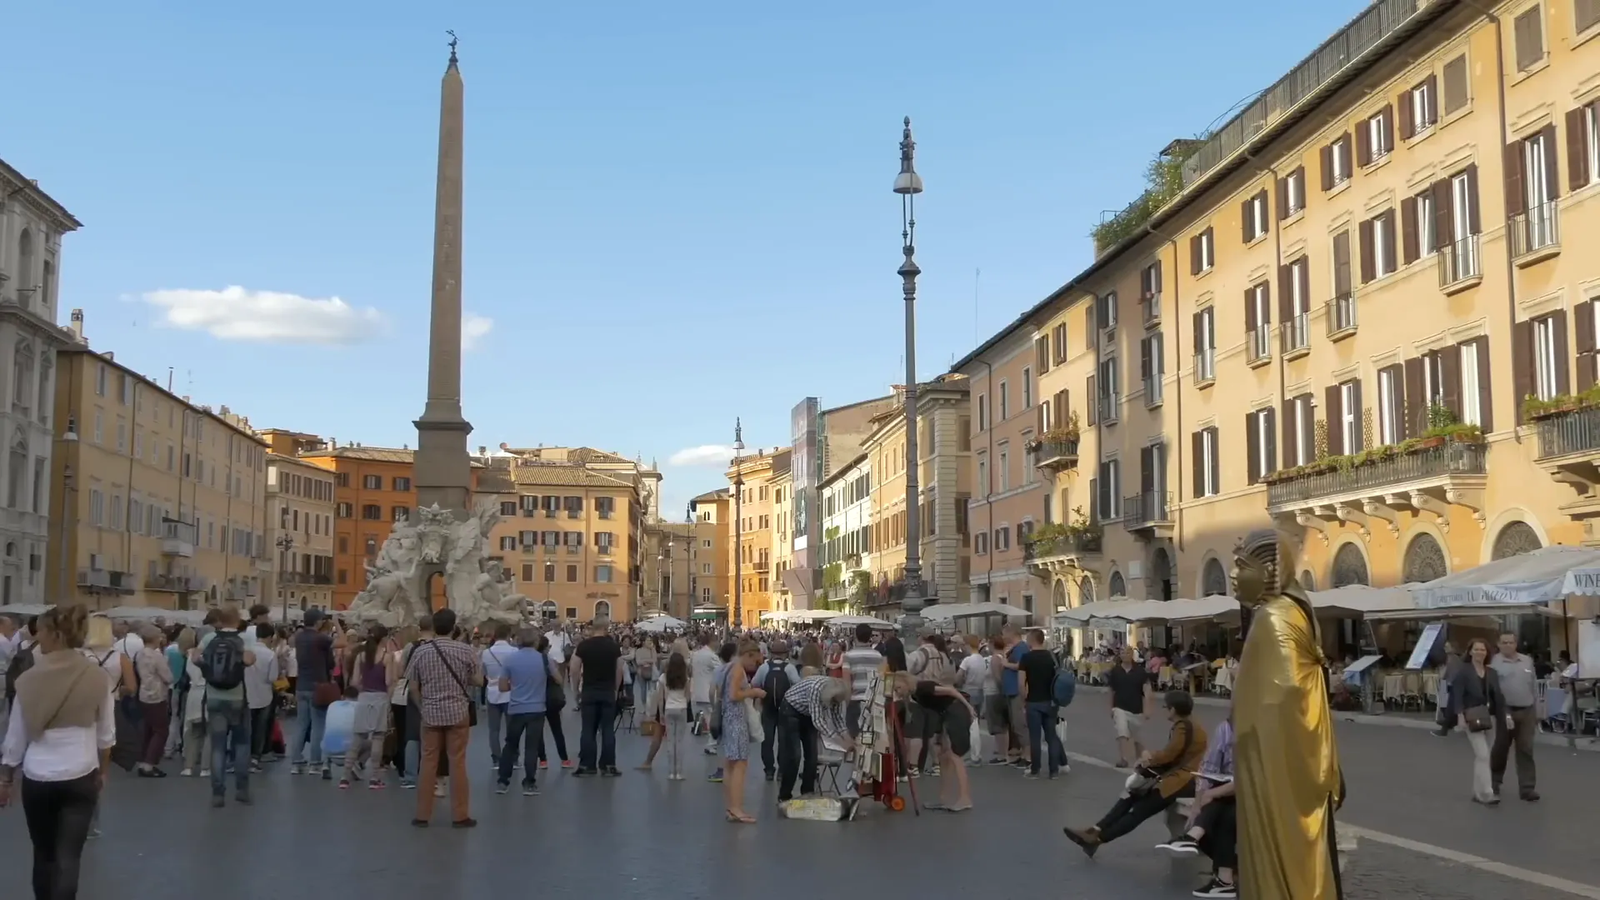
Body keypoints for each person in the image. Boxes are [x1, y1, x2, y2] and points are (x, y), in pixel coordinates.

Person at [1230, 528, 1345, 900]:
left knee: (1278, 838)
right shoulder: (1292, 609)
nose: (1233, 576)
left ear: (1267, 571)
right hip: (1294, 760)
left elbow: (1269, 707)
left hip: (1272, 768)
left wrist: (1243, 735)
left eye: (1240, 566)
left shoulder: (1274, 619)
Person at [0, 606, 114, 900]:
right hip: (81, 772)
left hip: (38, 775)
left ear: (55, 635)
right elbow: (106, 733)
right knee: (69, 857)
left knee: (43, 853)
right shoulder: (97, 677)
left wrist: (6, 778)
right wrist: (103, 770)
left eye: (42, 631)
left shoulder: (28, 680)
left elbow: (15, 738)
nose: (38, 636)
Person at [1064, 690, 1208, 856]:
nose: (1164, 710)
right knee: (1130, 795)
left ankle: (1098, 839)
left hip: (1181, 781)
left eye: (1165, 707)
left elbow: (1171, 754)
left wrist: (1149, 756)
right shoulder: (1192, 725)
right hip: (1179, 777)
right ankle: (1095, 829)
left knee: (1139, 810)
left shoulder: (1184, 727)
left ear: (1173, 709)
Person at [404, 608, 483, 827]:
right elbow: (479, 681)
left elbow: (412, 686)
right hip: (458, 712)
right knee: (457, 762)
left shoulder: (421, 651)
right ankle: (460, 815)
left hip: (430, 713)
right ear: (453, 627)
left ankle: (422, 814)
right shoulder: (465, 650)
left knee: (428, 762)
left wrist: (423, 706)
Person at [1157, 712, 1238, 898]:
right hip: (1228, 795)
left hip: (1258, 796)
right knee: (1225, 814)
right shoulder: (1225, 729)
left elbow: (1250, 778)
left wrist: (1209, 795)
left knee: (1222, 810)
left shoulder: (1266, 730)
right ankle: (1224, 880)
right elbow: (1208, 768)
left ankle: (1192, 837)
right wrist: (1197, 804)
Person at [198, 607, 257, 807]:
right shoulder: (245, 639)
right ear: (238, 620)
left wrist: (207, 668)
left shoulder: (209, 639)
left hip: (214, 697)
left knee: (218, 746)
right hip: (237, 698)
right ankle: (241, 790)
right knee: (241, 744)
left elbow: (195, 657)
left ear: (220, 621)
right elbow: (249, 660)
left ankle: (218, 793)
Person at [893, 671, 976, 811]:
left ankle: (965, 798)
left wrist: (969, 708)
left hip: (955, 712)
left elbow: (951, 690)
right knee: (944, 756)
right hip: (946, 714)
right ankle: (944, 798)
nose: (897, 692)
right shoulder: (914, 694)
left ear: (906, 683)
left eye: (898, 688)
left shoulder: (922, 687)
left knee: (955, 756)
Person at [776, 674, 853, 802]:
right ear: (830, 697)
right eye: (834, 702)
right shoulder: (816, 689)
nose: (835, 705)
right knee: (794, 756)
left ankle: (808, 792)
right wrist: (839, 741)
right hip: (790, 710)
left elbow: (838, 720)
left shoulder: (838, 694)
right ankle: (784, 795)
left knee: (812, 755)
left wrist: (849, 740)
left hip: (807, 713)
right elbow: (818, 721)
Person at [495, 627, 551, 796]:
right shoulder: (544, 659)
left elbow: (502, 686)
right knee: (531, 747)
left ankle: (503, 781)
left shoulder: (510, 660)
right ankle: (529, 783)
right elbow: (558, 678)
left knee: (510, 745)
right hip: (537, 708)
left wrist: (517, 685)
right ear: (536, 642)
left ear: (518, 640)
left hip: (516, 708)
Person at [342, 624, 395, 790]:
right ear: (384, 639)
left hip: (364, 697)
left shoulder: (361, 656)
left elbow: (355, 681)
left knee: (357, 737)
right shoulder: (388, 657)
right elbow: (389, 682)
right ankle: (374, 778)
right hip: (380, 698)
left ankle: (344, 776)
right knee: (378, 737)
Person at [719, 639, 767, 823]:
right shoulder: (738, 669)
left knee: (730, 765)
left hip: (728, 719)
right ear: (747, 655)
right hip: (737, 720)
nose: (754, 665)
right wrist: (753, 692)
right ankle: (737, 808)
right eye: (754, 661)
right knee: (740, 765)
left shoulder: (727, 668)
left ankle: (731, 807)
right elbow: (734, 695)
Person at [1454, 637, 1505, 806]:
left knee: (1483, 756)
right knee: (1482, 754)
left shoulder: (1492, 672)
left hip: (1490, 717)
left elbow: (1498, 697)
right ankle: (1487, 792)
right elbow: (1457, 695)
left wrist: (1506, 717)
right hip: (1472, 716)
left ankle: (1477, 792)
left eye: (1483, 650)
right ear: (1470, 652)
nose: (1479, 652)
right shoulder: (1463, 671)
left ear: (1487, 653)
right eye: (1476, 649)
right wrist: (1460, 716)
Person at [1488, 632, 1538, 802]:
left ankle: (1527, 788)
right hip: (1505, 711)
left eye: (1511, 642)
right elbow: (1491, 689)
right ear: (1499, 644)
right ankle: (1493, 784)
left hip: (1527, 710)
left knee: (1526, 750)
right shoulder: (1494, 662)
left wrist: (1538, 709)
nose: (1508, 645)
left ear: (1516, 644)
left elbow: (1534, 685)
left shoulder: (1527, 661)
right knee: (1500, 749)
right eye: (1504, 642)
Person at [571, 621, 623, 777]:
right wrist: (615, 688)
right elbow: (619, 669)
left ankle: (587, 765)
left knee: (588, 729)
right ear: (606, 629)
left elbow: (574, 668)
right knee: (608, 729)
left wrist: (575, 690)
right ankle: (608, 765)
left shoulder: (584, 646)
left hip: (589, 691)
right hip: (607, 691)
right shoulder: (614, 647)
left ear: (592, 629)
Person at [291, 610, 339, 776]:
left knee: (301, 725)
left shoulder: (299, 637)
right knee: (318, 726)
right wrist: (337, 624)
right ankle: (315, 763)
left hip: (301, 685)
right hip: (318, 686)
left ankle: (296, 762)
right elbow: (343, 642)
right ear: (318, 622)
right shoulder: (320, 638)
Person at [1017, 628, 1065, 779]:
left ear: (1032, 640)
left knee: (1035, 737)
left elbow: (1020, 683)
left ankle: (1035, 770)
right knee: (1051, 736)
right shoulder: (1051, 657)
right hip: (1050, 701)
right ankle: (1054, 771)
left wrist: (1024, 699)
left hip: (1033, 701)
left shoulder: (1026, 658)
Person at [752, 640, 799, 782]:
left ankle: (769, 770)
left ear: (772, 653)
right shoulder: (789, 668)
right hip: (785, 708)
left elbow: (754, 683)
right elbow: (798, 684)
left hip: (768, 707)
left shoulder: (764, 667)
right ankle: (781, 771)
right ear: (785, 654)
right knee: (784, 741)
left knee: (767, 740)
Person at [1105, 644, 1153, 768]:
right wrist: (1111, 708)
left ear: (1132, 655)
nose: (1125, 655)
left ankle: (1141, 760)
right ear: (1119, 655)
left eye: (1127, 653)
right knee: (1122, 732)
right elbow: (1111, 690)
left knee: (1137, 739)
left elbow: (1147, 690)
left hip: (1136, 709)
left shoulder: (1139, 671)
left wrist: (1147, 709)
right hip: (1119, 707)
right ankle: (1123, 758)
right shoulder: (1115, 671)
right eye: (1122, 653)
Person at [649, 653, 693, 780]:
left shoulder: (663, 678)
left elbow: (660, 698)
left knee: (670, 741)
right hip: (681, 709)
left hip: (669, 709)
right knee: (679, 741)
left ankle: (671, 772)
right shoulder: (686, 678)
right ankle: (678, 772)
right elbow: (688, 696)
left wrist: (661, 714)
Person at [480, 623, 515, 772]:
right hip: (510, 692)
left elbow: (482, 672)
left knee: (493, 729)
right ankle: (513, 757)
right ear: (508, 636)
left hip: (492, 692)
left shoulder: (486, 653)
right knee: (511, 728)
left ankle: (496, 758)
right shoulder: (514, 651)